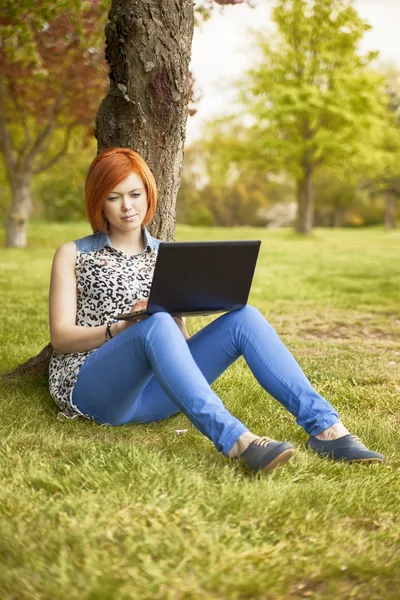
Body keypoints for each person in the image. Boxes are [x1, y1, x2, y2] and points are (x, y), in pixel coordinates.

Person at [48, 147, 385, 474]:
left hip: (155, 396)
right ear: (98, 202)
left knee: (244, 318)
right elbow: (61, 339)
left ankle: (328, 431)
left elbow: (175, 341)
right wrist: (122, 329)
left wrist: (171, 315)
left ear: (148, 195)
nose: (127, 207)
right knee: (156, 323)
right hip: (96, 390)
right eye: (114, 197)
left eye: (135, 194)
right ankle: (239, 443)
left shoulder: (168, 255)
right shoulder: (74, 254)